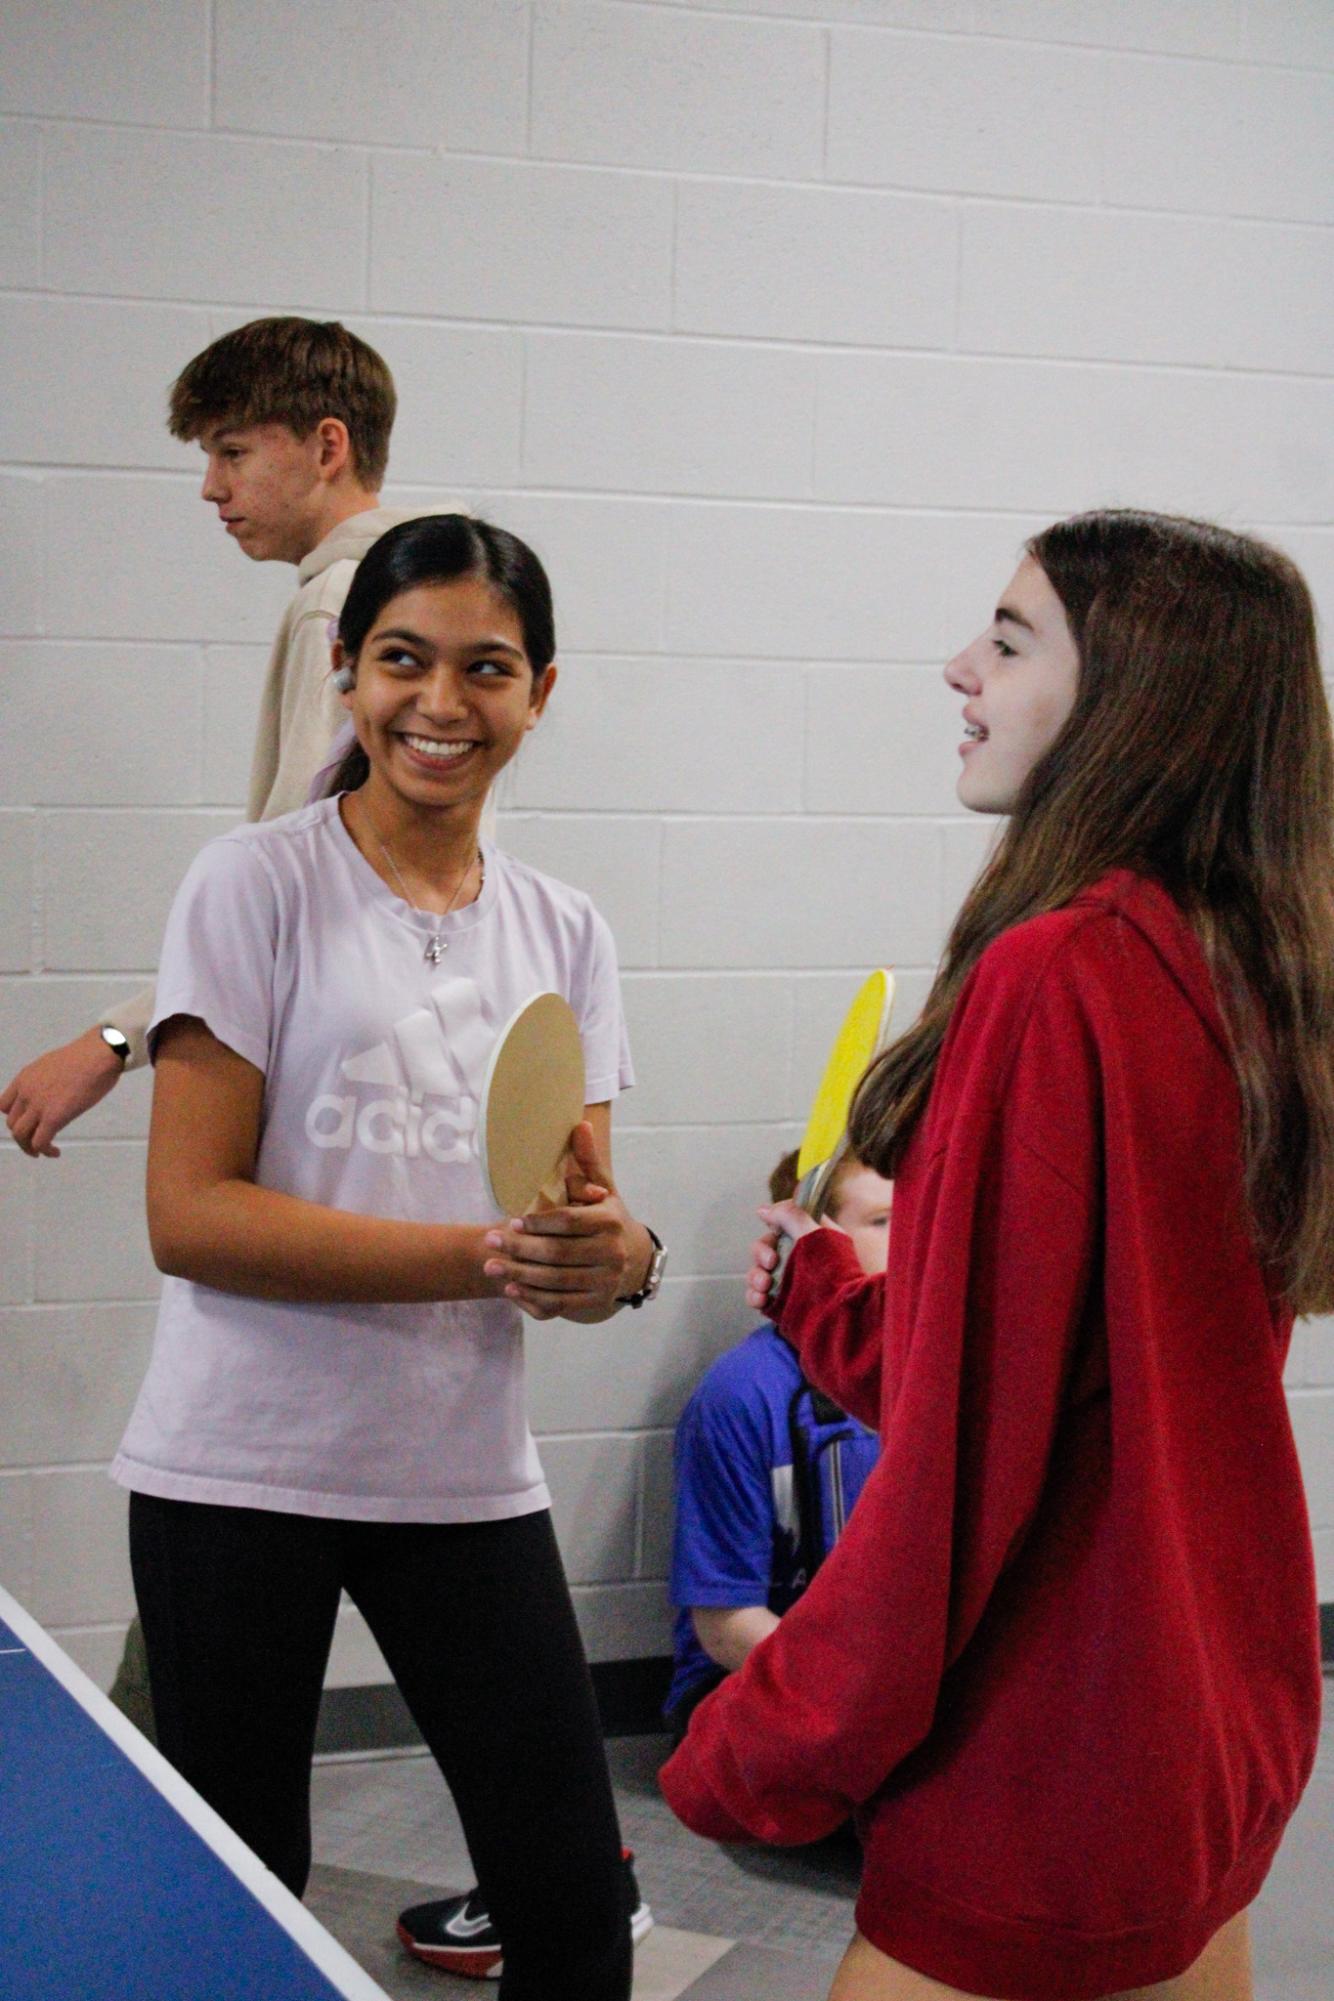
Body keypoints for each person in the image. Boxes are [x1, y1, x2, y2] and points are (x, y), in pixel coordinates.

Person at [660, 511, 1328, 2001]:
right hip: (1215, 1721)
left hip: (1050, 1747)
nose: (959, 668)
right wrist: (825, 1290)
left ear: (1133, 697)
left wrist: (764, 1739)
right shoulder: (1258, 965)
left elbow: (967, 1452)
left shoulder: (1059, 970)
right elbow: (1043, 1362)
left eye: (1011, 640)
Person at [111, 514, 665, 2001]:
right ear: (348, 671)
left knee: (566, 1901)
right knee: (243, 1891)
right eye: (403, 660)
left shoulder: (566, 929)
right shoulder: (252, 886)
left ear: (539, 691)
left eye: (485, 669)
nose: (441, 702)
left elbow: (577, 1209)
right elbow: (193, 1214)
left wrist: (621, 1253)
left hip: (460, 1476)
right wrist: (485, 1257)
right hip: (240, 1472)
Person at [2, 314, 468, 1155]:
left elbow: (291, 877)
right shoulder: (427, 587)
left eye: (233, 452)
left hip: (341, 1047)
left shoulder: (345, 605)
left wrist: (114, 1039)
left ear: (329, 446)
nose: (211, 487)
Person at [664, 1147, 888, 1747]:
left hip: (893, 1675)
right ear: (810, 1245)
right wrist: (857, 1691)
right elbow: (724, 1625)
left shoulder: (943, 1371)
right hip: (755, 1675)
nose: (916, 1239)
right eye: (883, 1222)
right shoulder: (742, 1394)